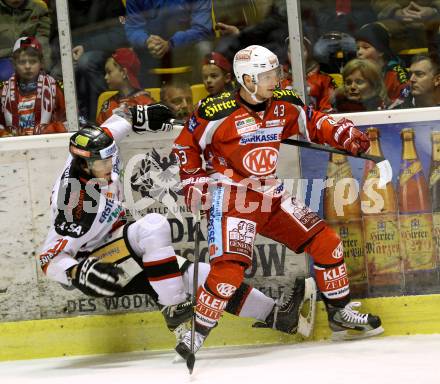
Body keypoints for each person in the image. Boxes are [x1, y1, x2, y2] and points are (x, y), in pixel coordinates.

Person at [172, 45, 384, 362]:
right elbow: (185, 146)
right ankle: (196, 332)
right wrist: (193, 180)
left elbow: (315, 122)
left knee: (327, 242)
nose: (275, 80)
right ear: (246, 79)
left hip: (270, 193)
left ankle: (339, 313)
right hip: (232, 197)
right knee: (229, 271)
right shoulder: (215, 111)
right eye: (267, 75)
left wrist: (344, 133)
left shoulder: (284, 104)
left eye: (276, 73)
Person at [38, 103, 315, 343]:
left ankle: (277, 315)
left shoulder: (98, 153)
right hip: (100, 262)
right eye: (104, 161)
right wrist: (76, 273)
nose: (112, 162)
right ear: (84, 165)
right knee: (155, 227)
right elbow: (49, 257)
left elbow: (121, 117)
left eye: (112, 155)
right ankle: (175, 310)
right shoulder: (73, 203)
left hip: (118, 237)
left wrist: (141, 115)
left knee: (195, 275)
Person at [124, 0, 213, 87]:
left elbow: (202, 29)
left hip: (185, 49)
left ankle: (199, 94)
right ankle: (141, 97)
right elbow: (133, 28)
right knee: (124, 55)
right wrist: (146, 40)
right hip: (150, 50)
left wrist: (171, 43)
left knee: (204, 48)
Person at [0, 36, 66, 137]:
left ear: (41, 63)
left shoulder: (54, 89)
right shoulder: (3, 92)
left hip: (47, 142)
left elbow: (66, 121)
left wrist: (50, 129)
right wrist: (6, 134)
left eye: (33, 61)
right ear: (14, 65)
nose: (27, 66)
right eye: (22, 62)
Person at [96, 48, 156, 125]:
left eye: (109, 72)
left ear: (123, 72)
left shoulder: (145, 103)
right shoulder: (108, 104)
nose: (105, 77)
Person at [355, 23, 409, 102]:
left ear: (381, 51)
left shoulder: (396, 72)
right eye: (357, 48)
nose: (359, 52)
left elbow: (405, 100)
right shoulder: (356, 73)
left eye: (365, 47)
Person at [0, 0, 51, 81]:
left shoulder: (38, 7)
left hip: (30, 56)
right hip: (3, 58)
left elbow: (42, 40)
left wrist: (44, 67)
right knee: (6, 75)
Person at [281, 37, 335, 113]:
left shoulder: (323, 80)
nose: (296, 54)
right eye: (291, 50)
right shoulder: (279, 79)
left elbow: (325, 110)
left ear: (309, 52)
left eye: (301, 50)